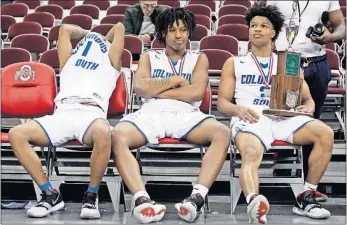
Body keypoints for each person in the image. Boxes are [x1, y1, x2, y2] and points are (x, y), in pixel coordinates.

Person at [111, 7, 230, 224]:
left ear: (189, 32)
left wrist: (156, 87)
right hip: (152, 112)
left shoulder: (199, 58)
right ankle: (142, 200)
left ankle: (196, 198)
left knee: (222, 133)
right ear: (163, 33)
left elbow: (195, 93)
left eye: (183, 30)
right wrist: (175, 81)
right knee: (117, 135)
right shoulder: (149, 56)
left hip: (186, 113)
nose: (178, 35)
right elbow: (140, 88)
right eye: (173, 30)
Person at [217, 5, 334, 223]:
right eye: (253, 26)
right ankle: (254, 200)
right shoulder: (234, 62)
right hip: (250, 117)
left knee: (325, 133)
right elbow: (222, 103)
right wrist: (237, 109)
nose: (257, 30)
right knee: (251, 154)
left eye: (263, 26)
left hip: (283, 116)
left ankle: (306, 196)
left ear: (274, 32)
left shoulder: (288, 61)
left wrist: (308, 107)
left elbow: (308, 99)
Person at [8, 23, 125, 219]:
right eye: (88, 42)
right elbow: (65, 30)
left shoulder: (111, 61)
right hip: (62, 112)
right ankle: (50, 194)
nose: (91, 43)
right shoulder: (69, 60)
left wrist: (102, 37)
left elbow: (120, 27)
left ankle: (91, 195)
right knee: (16, 133)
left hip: (91, 113)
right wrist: (90, 34)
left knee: (104, 131)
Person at [266, 0, 345, 201]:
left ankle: (309, 186)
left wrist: (330, 36)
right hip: (284, 59)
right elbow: (261, 21)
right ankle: (283, 177)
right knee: (282, 116)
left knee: (312, 120)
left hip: (315, 62)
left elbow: (341, 26)